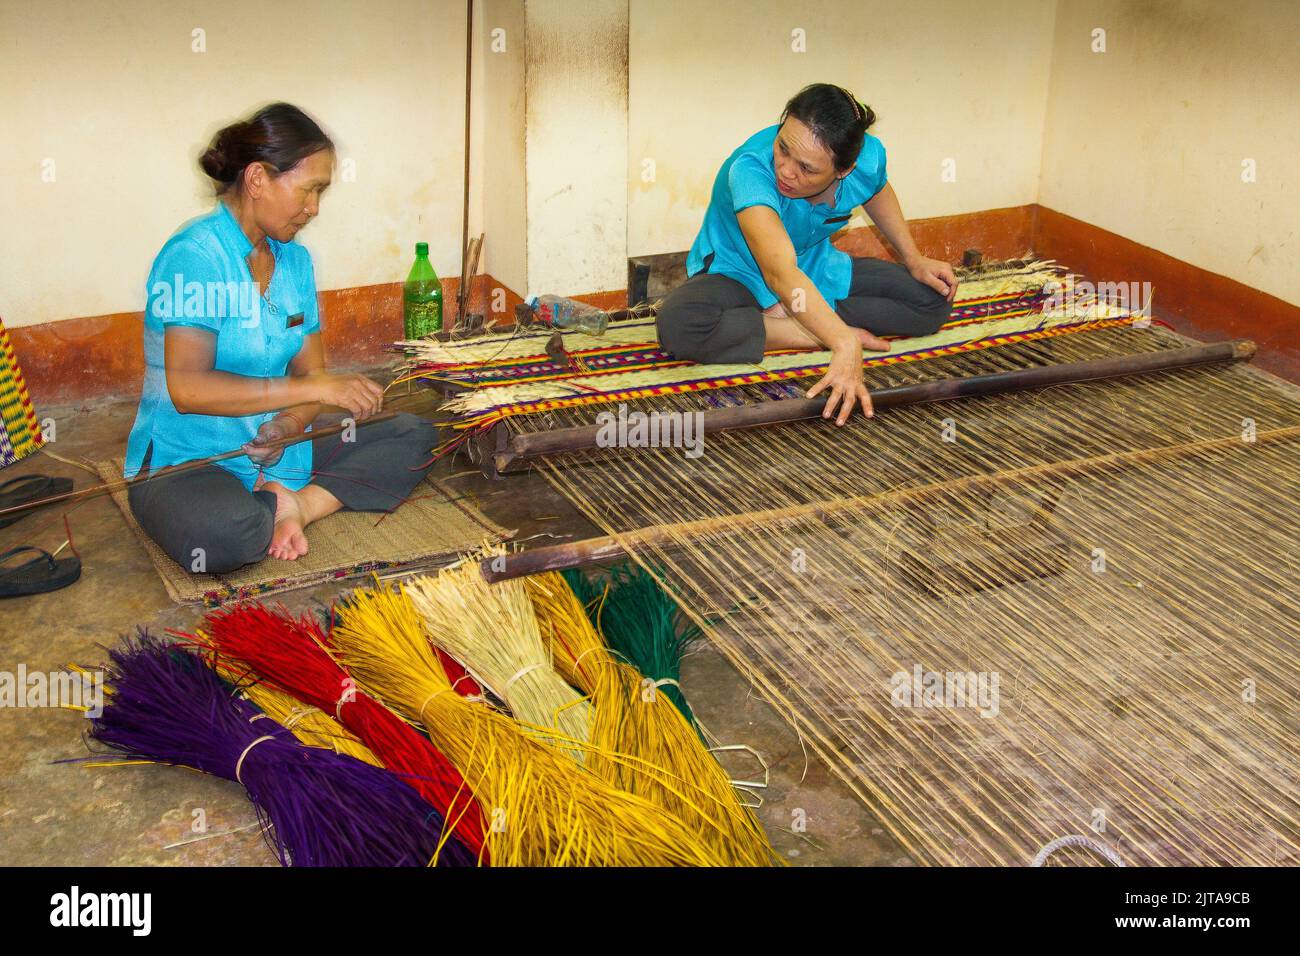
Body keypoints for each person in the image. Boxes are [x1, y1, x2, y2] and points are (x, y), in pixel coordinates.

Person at [123, 103, 438, 573]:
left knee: (417, 435)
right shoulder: (195, 257)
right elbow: (187, 390)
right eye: (309, 190)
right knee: (226, 534)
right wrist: (314, 390)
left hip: (281, 452)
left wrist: (288, 427)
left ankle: (298, 506)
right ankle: (267, 509)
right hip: (189, 460)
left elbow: (310, 374)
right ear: (257, 180)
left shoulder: (295, 262)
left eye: (321, 194)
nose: (313, 209)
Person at [657, 83, 959, 425]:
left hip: (812, 268)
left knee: (934, 300)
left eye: (807, 169)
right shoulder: (750, 170)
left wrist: (914, 259)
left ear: (843, 169)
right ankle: (805, 330)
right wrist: (841, 341)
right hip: (739, 271)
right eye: (783, 148)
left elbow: (876, 189)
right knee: (679, 324)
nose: (786, 170)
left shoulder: (866, 159)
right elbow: (778, 274)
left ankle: (803, 318)